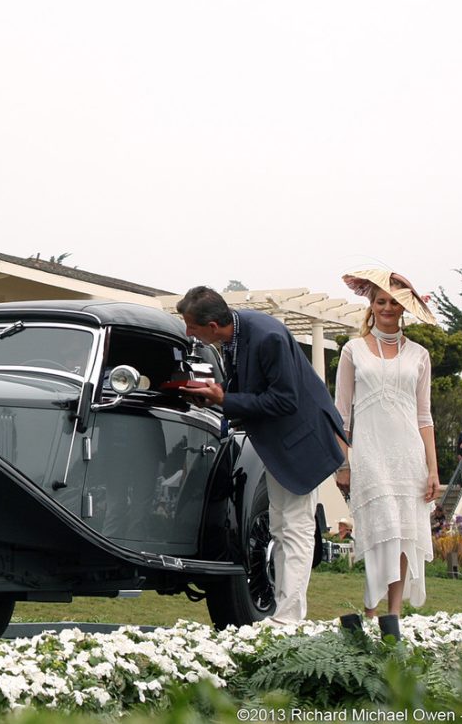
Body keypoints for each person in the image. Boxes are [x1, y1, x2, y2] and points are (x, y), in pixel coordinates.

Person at [177, 286, 347, 625]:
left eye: (191, 327)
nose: (189, 333)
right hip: (278, 444)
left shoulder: (268, 337)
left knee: (296, 528)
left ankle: (290, 617)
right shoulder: (236, 334)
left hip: (301, 443)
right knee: (281, 527)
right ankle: (285, 612)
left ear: (212, 326)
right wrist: (216, 396)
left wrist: (225, 400)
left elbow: (285, 399)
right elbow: (251, 388)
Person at [333, 270, 439, 639]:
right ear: (372, 305)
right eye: (381, 301)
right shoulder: (353, 350)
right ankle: (369, 610)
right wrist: (343, 462)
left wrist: (433, 469)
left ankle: (393, 617)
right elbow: (341, 414)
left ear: (405, 307)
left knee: (404, 533)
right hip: (370, 455)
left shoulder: (420, 355)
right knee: (379, 532)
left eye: (395, 302)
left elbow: (424, 417)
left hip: (409, 455)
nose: (388, 308)